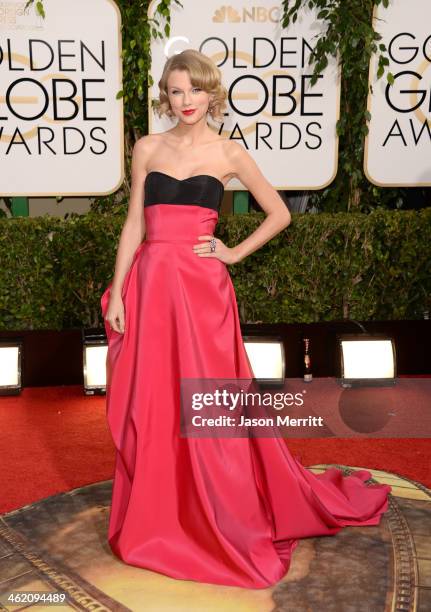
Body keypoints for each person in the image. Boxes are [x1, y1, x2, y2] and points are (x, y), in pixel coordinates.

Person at [100, 48, 391, 589]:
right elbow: (134, 223)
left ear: (212, 94)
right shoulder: (146, 148)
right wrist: (119, 292)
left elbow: (278, 213)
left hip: (202, 292)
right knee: (154, 400)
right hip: (151, 288)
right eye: (177, 90)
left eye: (196, 89)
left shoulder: (230, 151)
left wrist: (233, 253)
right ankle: (160, 513)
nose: (186, 101)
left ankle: (217, 510)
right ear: (166, 95)